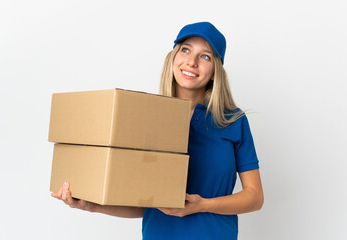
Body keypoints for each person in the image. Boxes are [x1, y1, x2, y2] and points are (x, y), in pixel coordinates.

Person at [52, 21, 264, 240]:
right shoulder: (149, 118)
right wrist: (92, 206)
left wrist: (201, 205)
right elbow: (147, 202)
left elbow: (255, 197)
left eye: (205, 56)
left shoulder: (233, 121)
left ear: (215, 72)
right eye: (186, 50)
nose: (192, 62)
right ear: (173, 57)